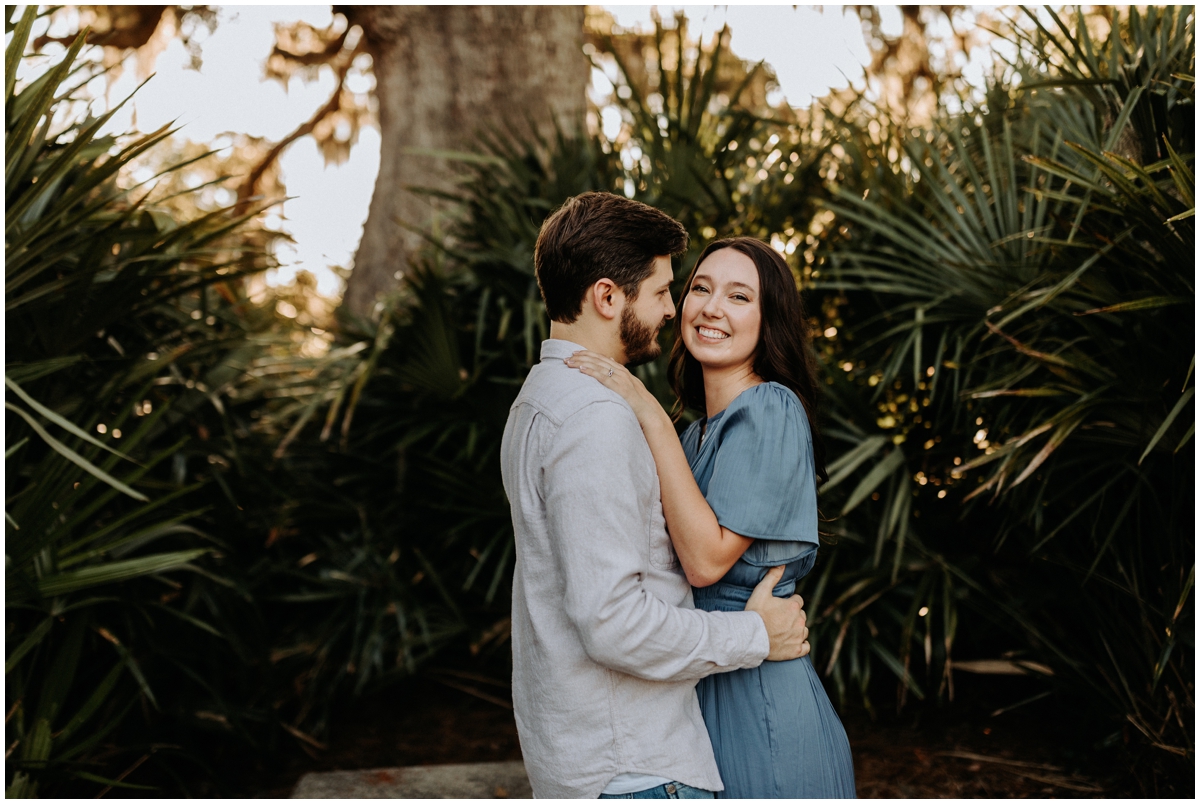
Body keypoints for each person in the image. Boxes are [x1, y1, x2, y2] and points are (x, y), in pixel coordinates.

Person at [500, 194, 813, 799]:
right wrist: (755, 636)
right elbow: (612, 622)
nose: (674, 310)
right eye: (668, 290)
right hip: (632, 765)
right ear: (608, 297)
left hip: (598, 757)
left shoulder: (537, 403)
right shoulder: (596, 416)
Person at [567, 237, 857, 798]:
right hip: (702, 683)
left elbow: (704, 562)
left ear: (768, 320)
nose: (711, 307)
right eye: (700, 288)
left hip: (762, 702)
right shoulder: (693, 434)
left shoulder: (771, 407)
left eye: (739, 296)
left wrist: (646, 410)